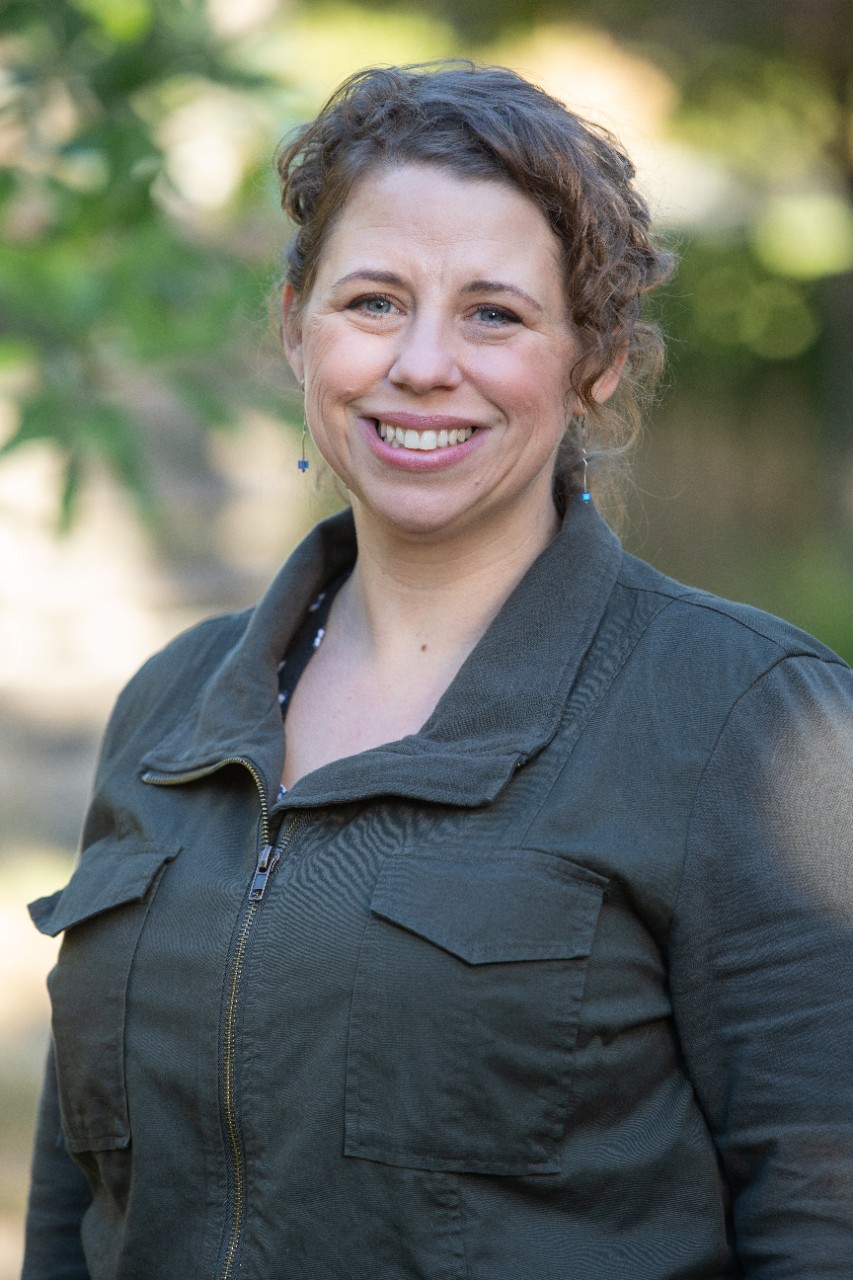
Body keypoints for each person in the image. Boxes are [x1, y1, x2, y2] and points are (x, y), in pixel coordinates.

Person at [23, 61, 853, 1280]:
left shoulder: (749, 716)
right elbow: (72, 1208)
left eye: (494, 313)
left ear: (598, 359)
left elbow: (824, 1217)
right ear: (295, 319)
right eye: (372, 300)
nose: (420, 363)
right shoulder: (170, 705)